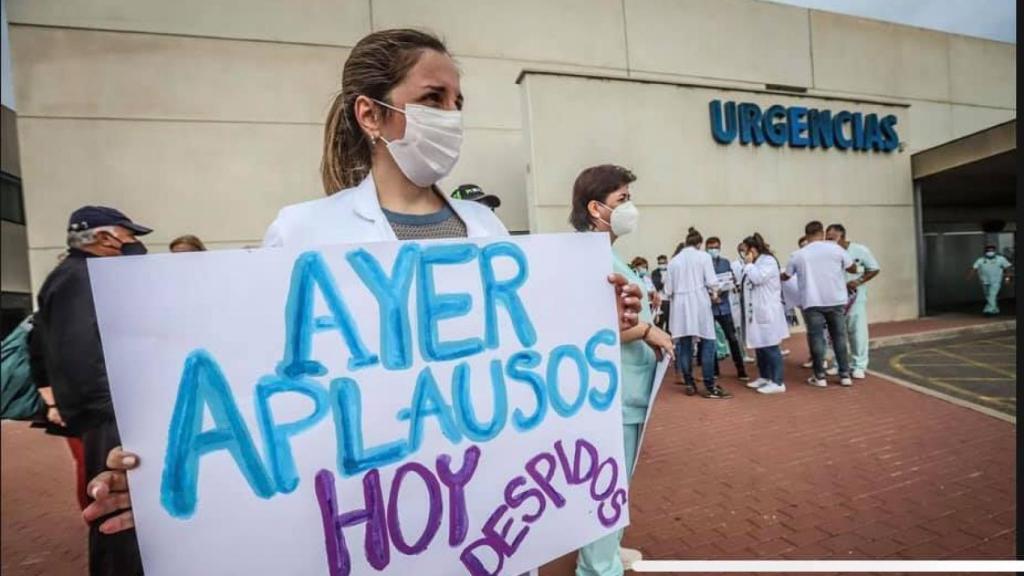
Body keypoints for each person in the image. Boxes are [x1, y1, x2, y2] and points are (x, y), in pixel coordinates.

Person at [82, 29, 644, 576]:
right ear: (370, 114)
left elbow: (524, 356)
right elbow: (261, 390)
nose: (450, 116)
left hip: (485, 521)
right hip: (376, 526)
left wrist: (596, 319)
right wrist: (169, 479)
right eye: (431, 99)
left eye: (456, 101)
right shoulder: (305, 231)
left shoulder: (485, 226)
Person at [33, 205, 151, 576]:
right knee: (117, 509)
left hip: (102, 411)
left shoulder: (70, 276)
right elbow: (83, 352)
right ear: (103, 237)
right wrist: (116, 412)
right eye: (128, 236)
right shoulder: (81, 278)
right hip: (108, 415)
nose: (133, 245)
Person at [569, 163, 673, 575]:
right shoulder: (587, 258)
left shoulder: (605, 255)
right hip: (610, 395)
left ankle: (607, 551)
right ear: (596, 208)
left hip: (624, 391)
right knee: (604, 487)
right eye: (622, 200)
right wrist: (648, 330)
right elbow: (589, 330)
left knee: (613, 486)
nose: (631, 207)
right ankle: (598, 565)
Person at [782, 221, 857, 388]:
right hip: (836, 300)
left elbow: (786, 276)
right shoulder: (836, 249)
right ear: (822, 233)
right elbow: (852, 268)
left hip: (812, 301)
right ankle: (845, 375)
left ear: (806, 234)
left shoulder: (798, 254)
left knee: (816, 338)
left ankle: (820, 376)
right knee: (839, 337)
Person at [667, 227, 730, 399]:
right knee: (708, 342)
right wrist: (715, 293)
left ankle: (689, 383)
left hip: (680, 305)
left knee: (685, 345)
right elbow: (712, 282)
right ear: (699, 244)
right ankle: (709, 384)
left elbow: (668, 289)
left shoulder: (674, 261)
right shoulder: (703, 257)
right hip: (699, 302)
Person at [826, 224, 880, 379]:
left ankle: (859, 365)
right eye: (827, 238)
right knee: (837, 333)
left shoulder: (859, 250)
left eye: (832, 238)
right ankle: (838, 364)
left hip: (855, 299)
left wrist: (858, 281)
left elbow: (874, 268)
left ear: (842, 237)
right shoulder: (828, 253)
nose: (829, 241)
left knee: (857, 333)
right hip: (835, 300)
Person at [740, 233, 789, 394]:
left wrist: (748, 265)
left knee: (770, 346)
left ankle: (777, 381)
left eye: (746, 251)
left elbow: (757, 278)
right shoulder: (757, 262)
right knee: (760, 346)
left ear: (753, 250)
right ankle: (764, 376)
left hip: (767, 310)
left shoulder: (767, 261)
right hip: (757, 311)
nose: (744, 255)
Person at [704, 236, 749, 382]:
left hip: (724, 306)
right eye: (710, 247)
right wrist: (711, 295)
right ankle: (715, 370)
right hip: (709, 307)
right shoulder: (703, 263)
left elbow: (730, 280)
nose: (713, 250)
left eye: (715, 247)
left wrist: (726, 288)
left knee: (732, 338)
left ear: (720, 247)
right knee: (711, 340)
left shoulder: (725, 263)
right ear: (706, 248)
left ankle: (741, 369)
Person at [967, 244, 1012, 316]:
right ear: (985, 252)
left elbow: (1007, 269)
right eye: (988, 250)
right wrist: (969, 276)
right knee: (988, 296)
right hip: (984, 281)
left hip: (996, 281)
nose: (990, 252)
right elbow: (974, 268)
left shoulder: (1001, 259)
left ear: (995, 251)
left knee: (992, 295)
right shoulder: (980, 260)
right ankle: (995, 310)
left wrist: (1007, 279)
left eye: (992, 250)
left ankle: (988, 311)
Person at [730, 241, 754, 364]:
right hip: (736, 300)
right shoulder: (735, 265)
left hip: (748, 299)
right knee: (738, 329)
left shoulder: (752, 264)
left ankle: (747, 351)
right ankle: (742, 353)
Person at [651, 254, 670, 331]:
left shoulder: (671, 271)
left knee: (670, 322)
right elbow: (656, 286)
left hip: (670, 299)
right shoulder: (655, 272)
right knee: (660, 321)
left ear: (667, 262)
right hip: (661, 299)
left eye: (663, 263)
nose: (662, 265)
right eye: (660, 263)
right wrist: (662, 281)